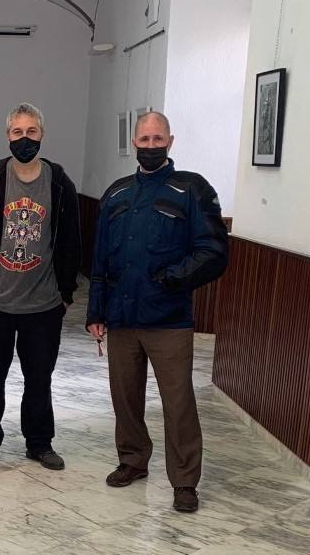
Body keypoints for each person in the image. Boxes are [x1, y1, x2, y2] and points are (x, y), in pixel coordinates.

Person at [85, 111, 228, 512]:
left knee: (178, 403)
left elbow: (214, 252)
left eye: (158, 139)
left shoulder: (192, 190)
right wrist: (96, 312)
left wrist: (172, 279)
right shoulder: (116, 194)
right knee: (124, 397)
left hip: (168, 319)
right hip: (122, 318)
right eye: (144, 140)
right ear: (134, 143)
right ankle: (132, 460)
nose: (151, 146)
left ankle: (184, 481)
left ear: (170, 141)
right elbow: (99, 260)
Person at [0, 103, 81, 471]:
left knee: (39, 379)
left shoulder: (59, 183)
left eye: (31, 132)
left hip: (43, 304)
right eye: (17, 132)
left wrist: (65, 293)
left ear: (42, 135)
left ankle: (40, 443)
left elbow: (72, 240)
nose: (24, 139)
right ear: (7, 136)